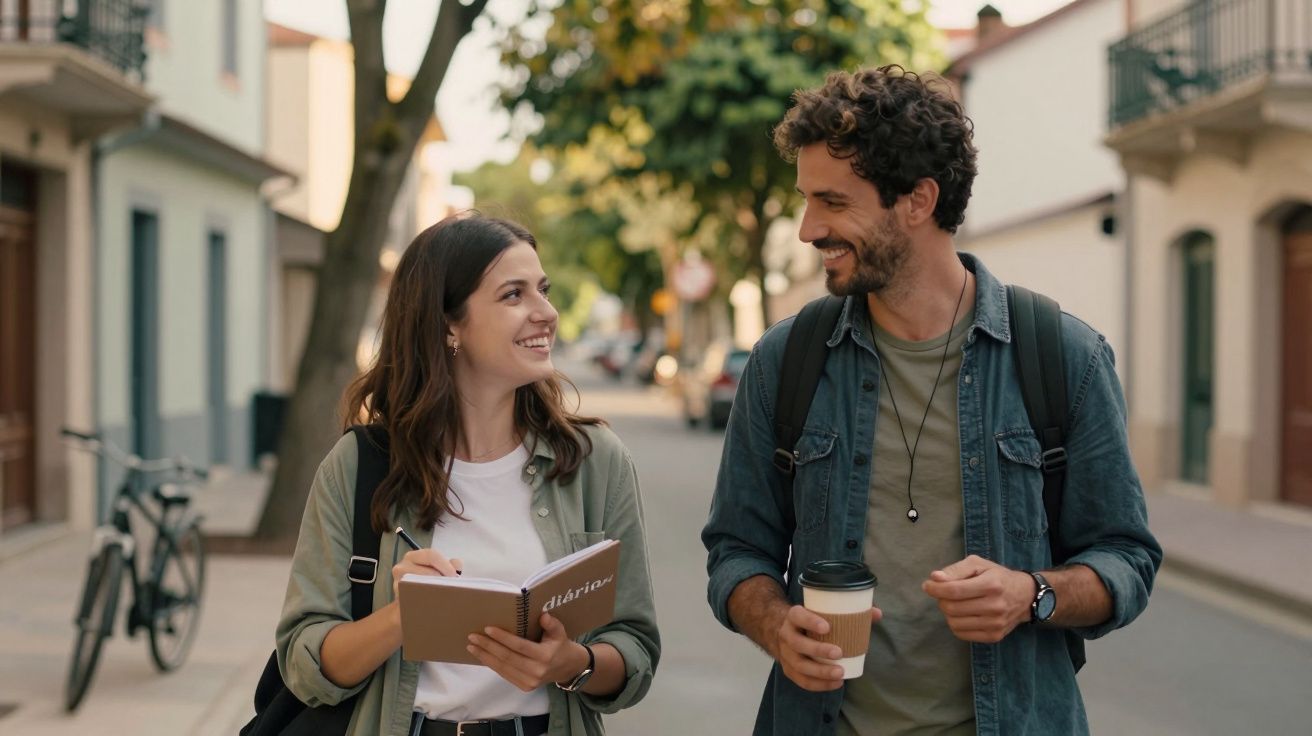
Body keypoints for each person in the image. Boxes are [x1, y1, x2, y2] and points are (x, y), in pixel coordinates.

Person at [702, 66, 1161, 735]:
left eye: (832, 203)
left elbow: (1126, 558)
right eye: (806, 201)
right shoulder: (786, 361)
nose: (808, 229)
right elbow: (737, 550)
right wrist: (776, 625)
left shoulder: (1064, 358)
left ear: (917, 201)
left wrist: (1030, 594)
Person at [277, 214, 660, 736]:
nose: (546, 312)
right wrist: (401, 618)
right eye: (513, 295)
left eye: (542, 291)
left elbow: (635, 647)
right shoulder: (360, 465)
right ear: (448, 323)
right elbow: (303, 664)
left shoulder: (596, 461)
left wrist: (572, 663)